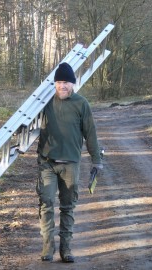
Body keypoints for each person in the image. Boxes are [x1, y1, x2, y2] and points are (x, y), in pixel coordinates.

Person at [36, 62, 103, 263]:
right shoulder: (44, 102)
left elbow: (90, 134)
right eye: (58, 82)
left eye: (66, 82)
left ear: (73, 84)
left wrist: (96, 160)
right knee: (46, 202)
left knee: (67, 206)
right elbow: (25, 124)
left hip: (71, 164)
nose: (62, 86)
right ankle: (48, 247)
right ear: (54, 84)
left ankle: (66, 249)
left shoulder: (81, 104)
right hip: (47, 162)